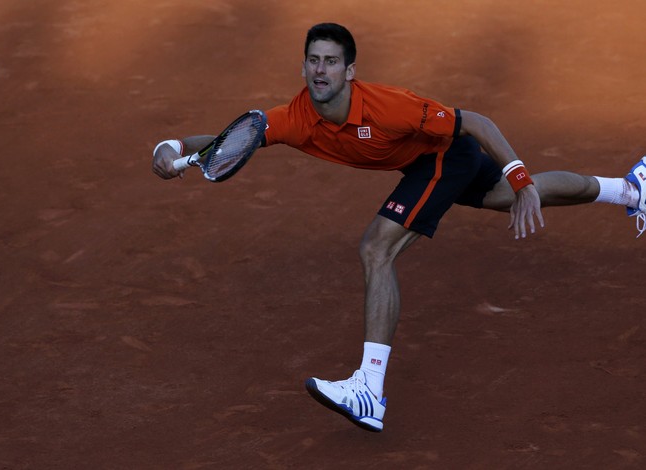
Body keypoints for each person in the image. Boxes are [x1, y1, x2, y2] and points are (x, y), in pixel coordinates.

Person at [152, 23, 646, 432]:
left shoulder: (389, 106)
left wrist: (518, 175)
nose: (320, 70)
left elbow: (474, 121)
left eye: (330, 61)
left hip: (444, 156)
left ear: (350, 71)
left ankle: (368, 389)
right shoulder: (296, 119)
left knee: (376, 249)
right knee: (500, 198)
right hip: (422, 164)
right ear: (303, 67)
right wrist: (174, 146)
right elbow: (230, 140)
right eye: (313, 60)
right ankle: (632, 190)